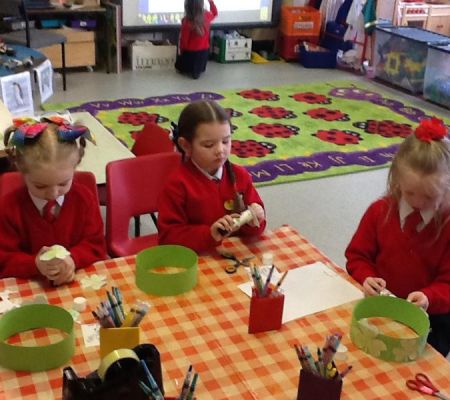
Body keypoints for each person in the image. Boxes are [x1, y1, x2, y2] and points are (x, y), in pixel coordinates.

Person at [345, 117, 450, 357]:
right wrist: (366, 276)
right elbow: (357, 256)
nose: (418, 202)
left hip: (431, 321)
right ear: (397, 180)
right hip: (380, 309)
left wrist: (429, 296)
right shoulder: (379, 212)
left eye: (429, 196)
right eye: (410, 193)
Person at [0, 117, 107, 285]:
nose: (53, 193)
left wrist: (73, 259)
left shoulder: (84, 199)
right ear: (21, 171)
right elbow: (4, 259)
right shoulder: (8, 208)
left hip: (77, 283)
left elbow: (96, 246)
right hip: (29, 287)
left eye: (63, 183)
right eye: (40, 186)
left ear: (75, 168)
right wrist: (34, 263)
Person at [158, 100, 266, 253]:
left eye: (226, 141)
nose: (220, 150)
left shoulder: (239, 175)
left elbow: (256, 230)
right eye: (209, 145)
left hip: (235, 256)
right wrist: (209, 234)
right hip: (197, 258)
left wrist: (255, 219)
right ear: (186, 145)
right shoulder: (177, 185)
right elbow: (168, 238)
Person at [175, 0, 217, 79]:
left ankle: (191, 70)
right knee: (199, 62)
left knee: (178, 65)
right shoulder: (207, 16)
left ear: (187, 6)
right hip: (204, 53)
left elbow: (184, 42)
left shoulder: (186, 21)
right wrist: (211, 2)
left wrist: (181, 53)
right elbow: (215, 13)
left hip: (191, 54)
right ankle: (198, 70)